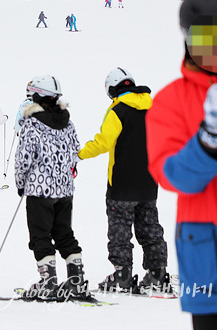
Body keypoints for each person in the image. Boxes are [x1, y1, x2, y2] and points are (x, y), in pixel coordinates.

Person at [147, 0, 217, 329]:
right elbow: (172, 175)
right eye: (207, 39)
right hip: (209, 265)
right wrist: (208, 143)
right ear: (189, 40)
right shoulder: (169, 102)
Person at [78, 68, 170, 293]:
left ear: (112, 90)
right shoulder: (154, 109)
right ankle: (157, 272)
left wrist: (79, 154)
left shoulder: (117, 111)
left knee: (120, 228)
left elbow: (103, 142)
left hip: (121, 184)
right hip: (149, 181)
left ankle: (122, 274)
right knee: (150, 226)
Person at [15, 75, 85, 301]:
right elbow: (75, 151)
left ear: (37, 96)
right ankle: (77, 280)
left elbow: (23, 158)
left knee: (40, 235)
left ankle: (48, 282)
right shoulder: (68, 122)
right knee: (64, 233)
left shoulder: (32, 124)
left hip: (39, 190)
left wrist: (20, 183)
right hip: (64, 190)